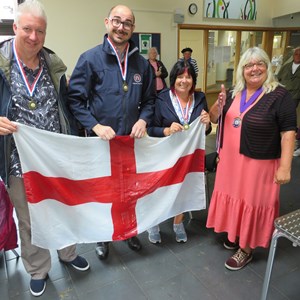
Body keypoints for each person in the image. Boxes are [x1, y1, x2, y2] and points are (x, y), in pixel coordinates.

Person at [0, 0, 90, 297]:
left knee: (64, 209)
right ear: (15, 28)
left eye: (40, 30)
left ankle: (68, 253)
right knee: (28, 219)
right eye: (27, 29)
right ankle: (38, 268)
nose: (33, 37)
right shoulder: (1, 65)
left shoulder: (53, 65)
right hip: (17, 161)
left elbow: (67, 107)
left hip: (55, 159)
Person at [68, 5, 155, 260]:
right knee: (103, 194)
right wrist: (94, 125)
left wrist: (143, 120)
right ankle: (104, 237)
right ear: (107, 22)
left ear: (133, 28)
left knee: (129, 192)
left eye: (127, 23)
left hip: (130, 143)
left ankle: (128, 232)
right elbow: (75, 100)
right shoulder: (89, 59)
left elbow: (150, 100)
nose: (121, 27)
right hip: (101, 144)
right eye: (117, 21)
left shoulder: (141, 64)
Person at [206, 47, 297, 271]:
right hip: (231, 160)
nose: (254, 69)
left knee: (252, 201)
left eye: (260, 63)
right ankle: (236, 233)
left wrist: (285, 167)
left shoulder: (279, 95)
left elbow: (288, 132)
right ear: (242, 70)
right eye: (248, 65)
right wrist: (219, 103)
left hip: (260, 162)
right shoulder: (235, 92)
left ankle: (246, 248)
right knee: (234, 196)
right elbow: (213, 117)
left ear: (268, 67)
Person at [147, 60, 211, 244]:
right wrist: (166, 130)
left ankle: (178, 223)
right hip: (164, 155)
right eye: (180, 76)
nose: (184, 80)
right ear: (173, 79)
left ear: (193, 79)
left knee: (184, 187)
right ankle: (154, 223)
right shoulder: (162, 99)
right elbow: (150, 128)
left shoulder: (200, 98)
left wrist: (206, 124)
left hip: (188, 155)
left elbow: (204, 131)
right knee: (159, 190)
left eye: (188, 76)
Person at [277, 46, 300, 156]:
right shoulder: (286, 67)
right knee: (281, 121)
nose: (298, 56)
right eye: (296, 54)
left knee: (296, 123)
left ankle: (296, 144)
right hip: (284, 98)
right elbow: (278, 80)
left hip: (297, 100)